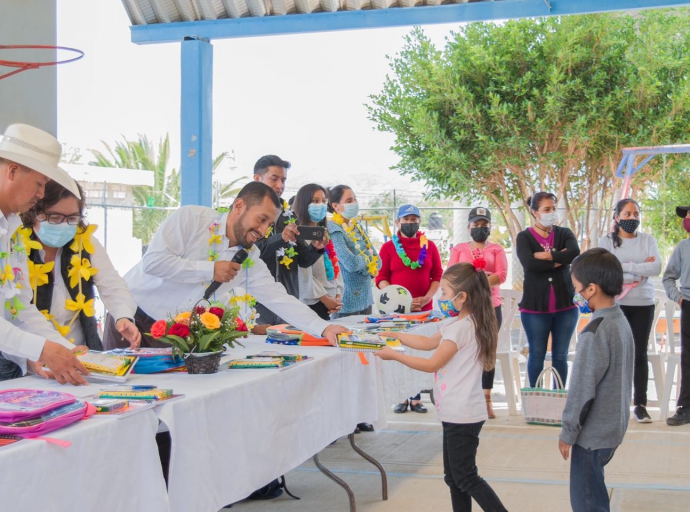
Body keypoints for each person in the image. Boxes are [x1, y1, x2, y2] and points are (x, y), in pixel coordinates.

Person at [104, 181, 347, 349]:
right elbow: (154, 263)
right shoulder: (191, 219)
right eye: (261, 220)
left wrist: (323, 329)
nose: (263, 231)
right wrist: (211, 269)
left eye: (269, 225)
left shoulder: (249, 258)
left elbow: (278, 298)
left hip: (175, 333)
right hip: (130, 319)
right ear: (239, 206)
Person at [375, 262, 506, 512]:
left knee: (466, 477)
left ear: (462, 297)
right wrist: (396, 335)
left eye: (444, 293)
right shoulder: (462, 323)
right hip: (456, 411)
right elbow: (426, 342)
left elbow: (432, 363)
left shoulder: (461, 328)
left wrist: (394, 355)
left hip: (462, 414)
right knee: (454, 478)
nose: (441, 299)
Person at [0, 123, 89, 385]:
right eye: (39, 184)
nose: (40, 195)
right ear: (13, 171)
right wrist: (40, 349)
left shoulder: (12, 227)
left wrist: (64, 350)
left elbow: (19, 307)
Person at [18, 180, 140, 355]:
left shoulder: (86, 243)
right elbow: (18, 312)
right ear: (34, 213)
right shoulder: (16, 245)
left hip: (82, 352)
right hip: (31, 353)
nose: (64, 225)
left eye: (73, 218)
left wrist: (123, 316)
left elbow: (112, 285)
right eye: (55, 217)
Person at [560, 248, 633, 512]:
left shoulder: (594, 332)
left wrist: (568, 432)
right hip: (613, 429)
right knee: (596, 496)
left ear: (591, 289)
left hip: (592, 436)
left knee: (587, 503)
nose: (576, 294)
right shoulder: (620, 320)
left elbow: (581, 390)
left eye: (577, 287)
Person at [598, 199, 661, 423]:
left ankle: (640, 405)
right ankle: (613, 404)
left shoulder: (648, 240)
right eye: (627, 214)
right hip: (615, 305)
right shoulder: (606, 242)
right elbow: (604, 271)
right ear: (616, 217)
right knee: (614, 354)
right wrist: (639, 270)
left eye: (636, 214)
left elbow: (656, 267)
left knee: (639, 354)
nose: (632, 218)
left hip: (643, 305)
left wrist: (624, 267)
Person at [376, 203, 443, 414]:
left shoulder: (429, 246)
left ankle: (417, 397)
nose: (410, 223)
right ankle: (402, 397)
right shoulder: (388, 248)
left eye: (414, 220)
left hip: (424, 310)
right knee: (400, 350)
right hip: (397, 312)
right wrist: (398, 298)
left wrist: (427, 297)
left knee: (421, 350)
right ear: (398, 222)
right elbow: (381, 278)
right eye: (406, 220)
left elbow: (438, 275)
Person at [252, 155, 325, 330]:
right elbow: (251, 252)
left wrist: (315, 249)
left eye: (283, 180)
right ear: (257, 179)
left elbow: (302, 260)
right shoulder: (248, 214)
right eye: (274, 179)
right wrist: (281, 238)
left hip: (288, 304)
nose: (280, 186)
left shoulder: (288, 215)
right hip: (258, 307)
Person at [448, 207, 507, 419]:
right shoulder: (459, 249)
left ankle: (486, 400)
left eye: (484, 225)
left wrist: (473, 282)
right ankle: (463, 398)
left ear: (490, 227)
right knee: (463, 351)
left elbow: (501, 275)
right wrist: (481, 280)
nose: (480, 228)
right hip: (466, 307)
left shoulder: (497, 249)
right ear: (468, 227)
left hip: (491, 307)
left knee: (487, 352)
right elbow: (452, 276)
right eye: (476, 225)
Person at [516, 191, 580, 387]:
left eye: (553, 209)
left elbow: (574, 253)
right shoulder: (524, 237)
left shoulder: (564, 233)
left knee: (560, 356)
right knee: (537, 354)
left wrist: (545, 256)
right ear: (535, 212)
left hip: (566, 307)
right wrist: (558, 259)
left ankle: (558, 401)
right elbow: (530, 264)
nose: (551, 213)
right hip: (535, 309)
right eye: (546, 209)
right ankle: (535, 401)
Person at [327, 185, 381, 318]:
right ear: (336, 206)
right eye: (349, 201)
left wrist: (364, 263)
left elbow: (378, 262)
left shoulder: (358, 226)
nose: (354, 203)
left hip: (366, 299)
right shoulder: (333, 229)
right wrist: (367, 264)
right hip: (346, 303)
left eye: (355, 199)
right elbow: (350, 263)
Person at [292, 183, 344, 320]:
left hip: (331, 302)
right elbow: (304, 274)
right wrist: (326, 299)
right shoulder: (297, 235)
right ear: (303, 203)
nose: (320, 205)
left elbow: (335, 265)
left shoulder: (324, 233)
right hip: (312, 303)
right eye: (315, 201)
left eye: (323, 201)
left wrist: (337, 294)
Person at [661, 204, 690, 426]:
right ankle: (686, 407)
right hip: (689, 304)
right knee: (688, 359)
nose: (687, 219)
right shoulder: (683, 247)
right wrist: (678, 297)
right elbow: (668, 277)